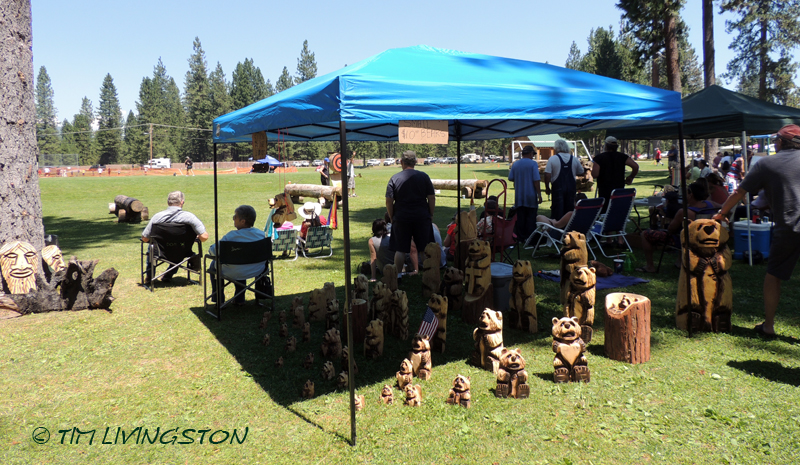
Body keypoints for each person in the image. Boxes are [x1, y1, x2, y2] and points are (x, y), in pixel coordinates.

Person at [713, 124, 800, 337]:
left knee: (774, 276)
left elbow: (738, 192)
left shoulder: (766, 164)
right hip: (788, 224)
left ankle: (768, 325)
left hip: (787, 227)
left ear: (780, 142)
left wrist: (722, 214)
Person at [637, 181, 719, 273]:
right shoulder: (712, 205)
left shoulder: (685, 212)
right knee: (684, 232)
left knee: (645, 234)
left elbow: (671, 230)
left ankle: (650, 266)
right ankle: (680, 262)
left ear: (690, 195)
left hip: (688, 242)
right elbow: (727, 210)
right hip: (709, 238)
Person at [141, 191, 208, 283]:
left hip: (161, 252)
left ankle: (150, 276)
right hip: (182, 251)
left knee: (152, 246)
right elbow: (204, 237)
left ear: (168, 202)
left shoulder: (157, 217)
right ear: (182, 202)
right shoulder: (190, 217)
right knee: (179, 247)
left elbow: (145, 238)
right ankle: (169, 274)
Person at [386, 150, 435, 274]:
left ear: (401, 162)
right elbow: (431, 197)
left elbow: (389, 201)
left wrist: (392, 217)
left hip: (401, 216)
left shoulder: (394, 178)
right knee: (424, 248)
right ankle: (428, 276)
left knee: (400, 249)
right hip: (421, 215)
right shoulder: (424, 176)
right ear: (416, 162)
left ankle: (397, 277)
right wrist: (430, 214)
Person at [207, 205, 264, 305]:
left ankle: (219, 300)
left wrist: (211, 248)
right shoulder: (261, 235)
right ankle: (239, 299)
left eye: (235, 217)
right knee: (242, 263)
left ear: (243, 221)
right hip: (256, 270)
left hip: (233, 270)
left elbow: (214, 251)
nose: (233, 218)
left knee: (214, 265)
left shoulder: (231, 237)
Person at [591, 136, 639, 213]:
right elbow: (635, 166)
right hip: (619, 188)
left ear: (606, 146)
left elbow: (595, 174)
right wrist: (631, 177)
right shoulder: (622, 156)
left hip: (604, 189)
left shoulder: (599, 158)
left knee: (605, 212)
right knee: (617, 211)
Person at [508, 145, 543, 242]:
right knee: (531, 218)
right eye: (533, 154)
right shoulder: (533, 164)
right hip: (531, 196)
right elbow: (536, 180)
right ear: (531, 153)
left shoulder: (515, 164)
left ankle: (520, 237)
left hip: (519, 196)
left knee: (520, 217)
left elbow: (511, 178)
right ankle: (530, 237)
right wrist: (539, 194)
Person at [544, 139, 584, 221]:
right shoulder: (574, 159)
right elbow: (581, 172)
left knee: (557, 211)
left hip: (557, 188)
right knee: (570, 210)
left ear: (556, 148)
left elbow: (547, 174)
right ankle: (568, 229)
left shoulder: (553, 159)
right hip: (571, 188)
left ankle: (556, 230)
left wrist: (547, 187)